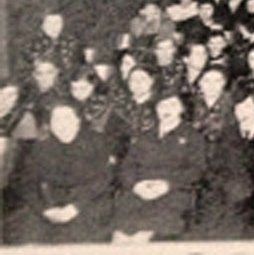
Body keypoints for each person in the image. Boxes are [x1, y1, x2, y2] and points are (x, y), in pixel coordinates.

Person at [8, 101, 114, 243]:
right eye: (56, 120)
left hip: (88, 204)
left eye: (67, 118)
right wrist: (44, 210)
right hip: (49, 205)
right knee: (24, 235)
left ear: (78, 121)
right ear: (50, 124)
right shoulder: (41, 148)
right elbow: (26, 183)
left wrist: (75, 207)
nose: (62, 124)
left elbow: (102, 181)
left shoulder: (97, 143)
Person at [112, 94, 206, 242]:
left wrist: (167, 184)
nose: (166, 110)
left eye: (172, 105)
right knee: (120, 235)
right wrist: (135, 185)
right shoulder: (144, 136)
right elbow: (127, 166)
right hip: (139, 192)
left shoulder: (193, 137)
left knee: (143, 238)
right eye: (162, 105)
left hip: (173, 194)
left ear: (181, 108)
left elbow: (197, 170)